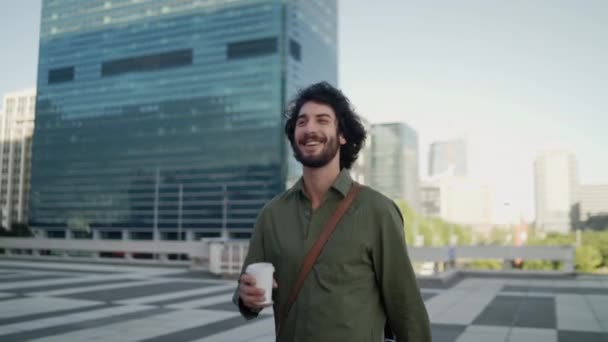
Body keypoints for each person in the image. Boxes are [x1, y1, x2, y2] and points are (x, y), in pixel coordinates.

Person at [233, 82, 431, 341]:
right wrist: (247, 298)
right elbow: (248, 288)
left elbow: (407, 309)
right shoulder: (272, 215)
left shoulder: (377, 211)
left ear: (342, 135)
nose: (310, 129)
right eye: (301, 122)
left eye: (322, 120)